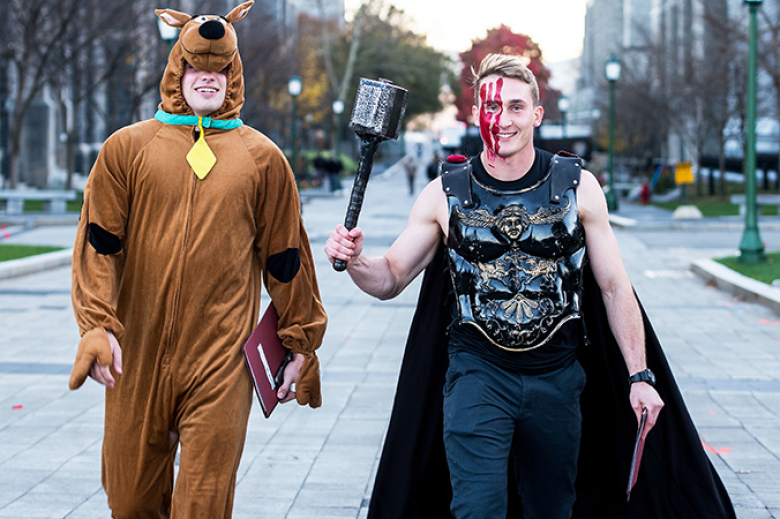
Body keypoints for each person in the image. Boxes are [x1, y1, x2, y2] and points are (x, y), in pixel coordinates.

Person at [326, 53, 665, 518]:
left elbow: (614, 288)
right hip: (478, 375)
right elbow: (389, 278)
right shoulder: (445, 192)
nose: (501, 119)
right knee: (478, 508)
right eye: (491, 107)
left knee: (552, 509)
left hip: (557, 379)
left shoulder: (578, 188)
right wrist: (356, 258)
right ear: (474, 113)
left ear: (537, 114)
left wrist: (640, 376)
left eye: (515, 107)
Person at [67, 3, 327, 518]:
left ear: (233, 78)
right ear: (176, 71)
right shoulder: (126, 149)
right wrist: (97, 327)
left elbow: (285, 257)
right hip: (134, 361)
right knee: (129, 501)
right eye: (197, 68)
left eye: (219, 70)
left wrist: (301, 340)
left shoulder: (263, 158)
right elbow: (99, 245)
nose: (207, 78)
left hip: (220, 361)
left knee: (204, 504)